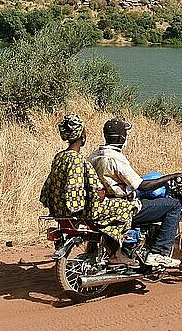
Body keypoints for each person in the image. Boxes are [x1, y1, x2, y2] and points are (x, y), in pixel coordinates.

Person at [40, 113, 138, 266]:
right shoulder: (78, 160)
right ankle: (117, 253)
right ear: (82, 135)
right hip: (82, 211)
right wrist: (101, 194)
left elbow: (48, 188)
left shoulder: (60, 157)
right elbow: (89, 191)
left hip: (59, 211)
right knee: (129, 207)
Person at [89, 118, 182, 268]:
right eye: (125, 134)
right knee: (173, 205)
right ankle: (159, 253)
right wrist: (171, 176)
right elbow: (143, 185)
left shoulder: (94, 155)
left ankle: (132, 245)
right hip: (120, 207)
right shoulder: (116, 158)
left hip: (102, 204)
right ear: (121, 138)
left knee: (143, 199)